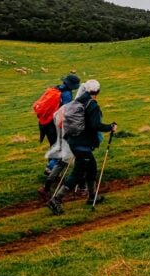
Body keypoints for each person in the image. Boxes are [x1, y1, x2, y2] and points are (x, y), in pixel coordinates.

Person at [47, 80, 117, 214]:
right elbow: (95, 125)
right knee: (78, 173)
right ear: (98, 92)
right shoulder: (92, 105)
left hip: (73, 141)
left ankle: (92, 196)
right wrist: (110, 127)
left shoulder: (78, 102)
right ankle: (56, 199)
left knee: (92, 167)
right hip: (82, 144)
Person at [37, 73, 80, 175]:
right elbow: (66, 111)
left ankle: (53, 168)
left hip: (44, 123)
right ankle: (50, 168)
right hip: (54, 124)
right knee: (60, 146)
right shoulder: (66, 94)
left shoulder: (55, 89)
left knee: (54, 145)